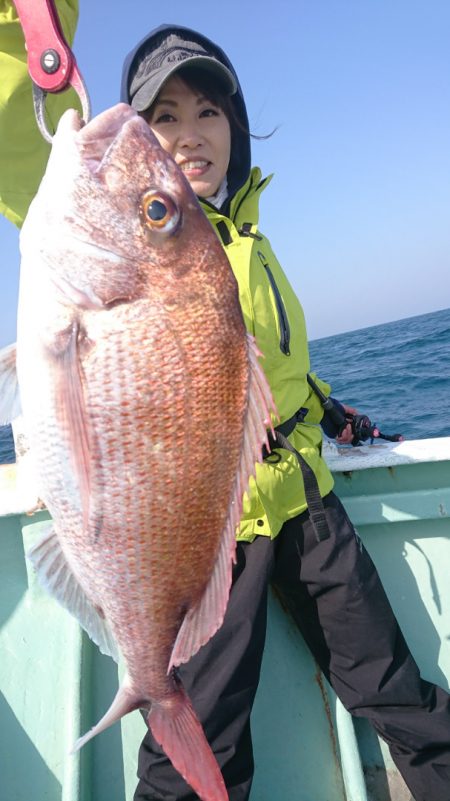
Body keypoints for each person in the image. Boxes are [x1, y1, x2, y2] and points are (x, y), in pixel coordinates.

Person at [119, 25, 450, 801]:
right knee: (198, 751)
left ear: (235, 124)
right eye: (164, 117)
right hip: (209, 536)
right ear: (139, 140)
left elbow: (274, 368)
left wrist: (330, 410)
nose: (191, 136)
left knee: (397, 690)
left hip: (305, 504)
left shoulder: (250, 236)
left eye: (208, 111)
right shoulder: (140, 249)